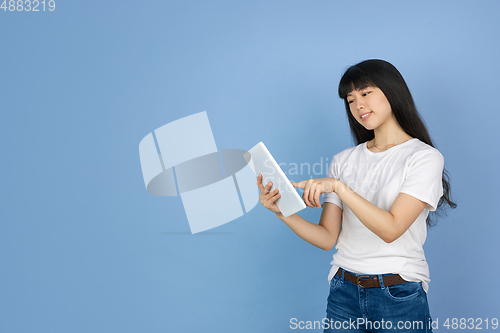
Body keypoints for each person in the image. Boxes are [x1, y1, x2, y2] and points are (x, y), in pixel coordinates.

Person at [256, 59, 456, 333]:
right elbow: (327, 238)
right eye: (350, 100)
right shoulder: (343, 161)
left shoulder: (424, 157)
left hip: (397, 294)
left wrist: (340, 188)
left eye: (365, 93)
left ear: (392, 91)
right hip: (343, 292)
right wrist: (282, 212)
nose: (358, 105)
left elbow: (391, 228)